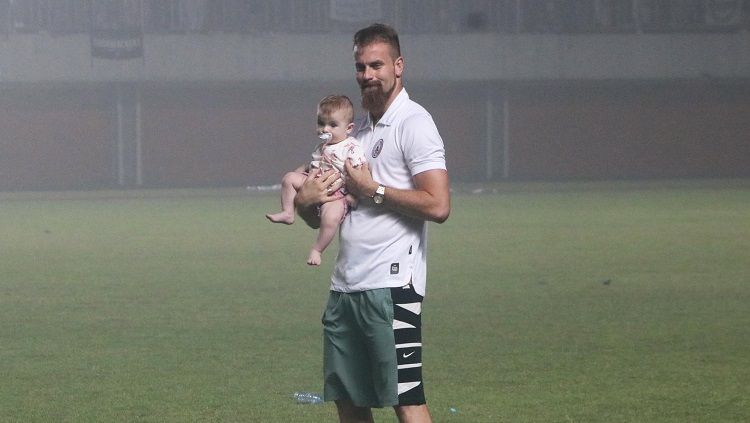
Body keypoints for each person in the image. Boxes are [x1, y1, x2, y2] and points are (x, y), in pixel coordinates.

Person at [293, 24, 451, 423]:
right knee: (349, 400)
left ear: (398, 66)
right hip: (346, 285)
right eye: (361, 67)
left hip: (392, 287)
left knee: (406, 399)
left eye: (376, 65)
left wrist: (374, 189)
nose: (367, 75)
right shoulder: (354, 131)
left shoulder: (415, 123)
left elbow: (438, 204)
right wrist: (305, 203)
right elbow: (323, 210)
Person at [266, 95, 366, 266]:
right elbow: (313, 165)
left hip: (337, 192)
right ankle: (288, 212)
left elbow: (359, 172)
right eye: (321, 123)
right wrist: (303, 173)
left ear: (348, 128)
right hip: (315, 182)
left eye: (333, 125)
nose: (325, 129)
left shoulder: (351, 146)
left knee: (331, 218)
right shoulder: (321, 147)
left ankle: (317, 249)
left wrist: (353, 195)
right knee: (289, 178)